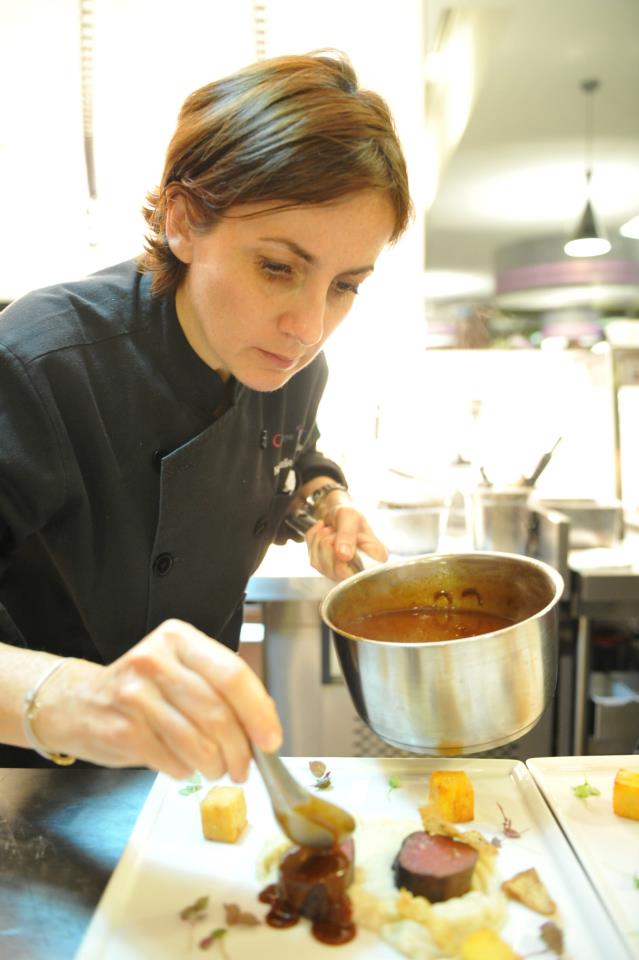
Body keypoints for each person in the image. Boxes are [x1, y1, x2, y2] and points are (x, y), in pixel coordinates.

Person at [0, 50, 412, 779]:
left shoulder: (289, 367)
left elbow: (289, 454)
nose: (308, 327)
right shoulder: (39, 363)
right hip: (27, 779)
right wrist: (72, 700)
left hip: (179, 773)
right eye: (278, 267)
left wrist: (321, 502)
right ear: (184, 223)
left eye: (345, 284)